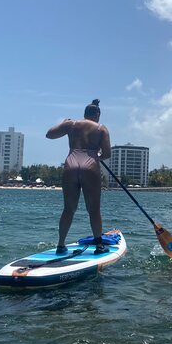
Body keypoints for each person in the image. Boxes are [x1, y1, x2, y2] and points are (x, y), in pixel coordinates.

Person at [46, 99, 112, 255]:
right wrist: (95, 156)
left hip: (71, 165)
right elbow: (107, 153)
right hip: (90, 166)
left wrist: (63, 123)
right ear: (97, 115)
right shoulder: (102, 128)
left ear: (84, 114)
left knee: (69, 209)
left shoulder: (71, 124)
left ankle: (61, 245)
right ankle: (99, 245)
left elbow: (49, 135)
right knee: (94, 209)